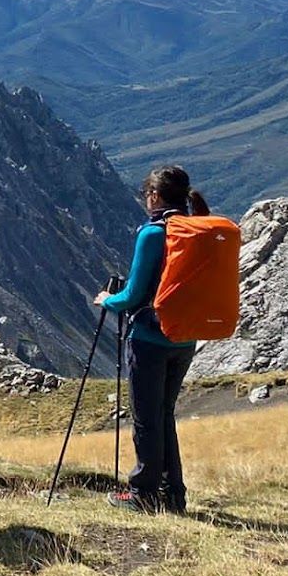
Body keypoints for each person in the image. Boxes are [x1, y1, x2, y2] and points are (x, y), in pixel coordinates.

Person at [96, 164, 208, 514]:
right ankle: (173, 495)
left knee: (146, 418)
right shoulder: (196, 229)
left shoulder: (152, 234)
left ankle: (143, 494)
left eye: (147, 194)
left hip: (150, 338)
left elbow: (132, 294)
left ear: (155, 197)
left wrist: (106, 300)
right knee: (164, 414)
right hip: (185, 338)